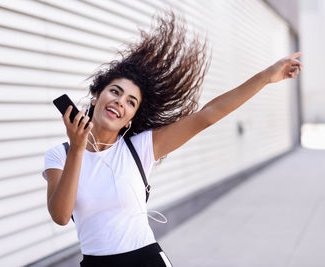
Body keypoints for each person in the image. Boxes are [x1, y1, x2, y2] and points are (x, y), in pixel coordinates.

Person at [42, 10, 302, 267]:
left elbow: (207, 116)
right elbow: (61, 216)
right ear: (96, 96)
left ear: (131, 117)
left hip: (146, 260)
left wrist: (266, 77)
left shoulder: (140, 148)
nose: (120, 102)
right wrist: (77, 149)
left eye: (130, 102)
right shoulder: (60, 155)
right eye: (115, 92)